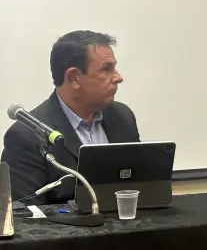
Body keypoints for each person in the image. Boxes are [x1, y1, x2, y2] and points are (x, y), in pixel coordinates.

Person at [2, 31, 140, 202]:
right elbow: (25, 213)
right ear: (74, 78)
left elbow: (139, 184)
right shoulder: (26, 136)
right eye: (107, 68)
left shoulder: (122, 117)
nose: (118, 77)